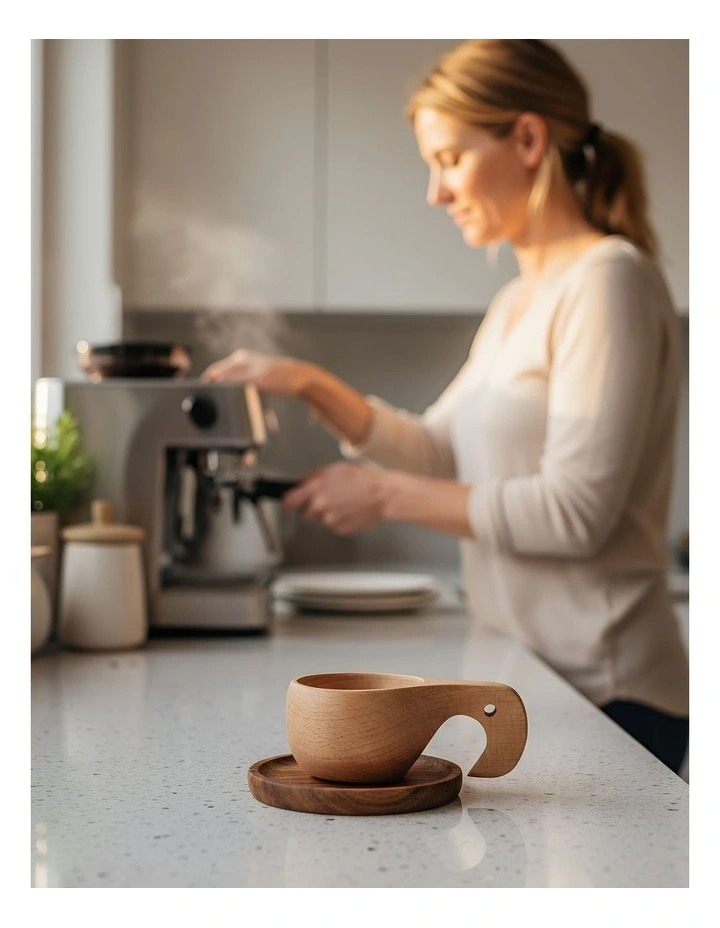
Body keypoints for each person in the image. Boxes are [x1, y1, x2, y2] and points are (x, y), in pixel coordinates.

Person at [202, 39, 689, 774]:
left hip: (612, 694)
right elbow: (437, 450)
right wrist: (308, 383)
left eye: (450, 159)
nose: (435, 191)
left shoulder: (607, 280)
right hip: (533, 680)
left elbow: (576, 514)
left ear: (527, 139)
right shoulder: (517, 302)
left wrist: (384, 496)